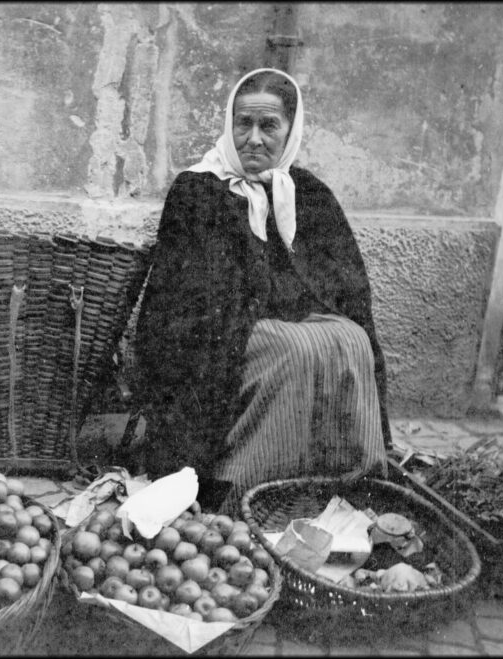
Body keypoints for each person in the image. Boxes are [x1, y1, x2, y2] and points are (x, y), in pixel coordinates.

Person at [131, 68, 391, 514]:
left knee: (352, 340)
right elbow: (191, 297)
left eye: (269, 126)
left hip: (277, 323)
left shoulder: (307, 192)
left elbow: (341, 284)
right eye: (243, 124)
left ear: (291, 132)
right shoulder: (198, 190)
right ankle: (250, 492)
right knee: (295, 349)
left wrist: (302, 310)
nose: (253, 138)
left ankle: (345, 485)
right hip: (208, 339)